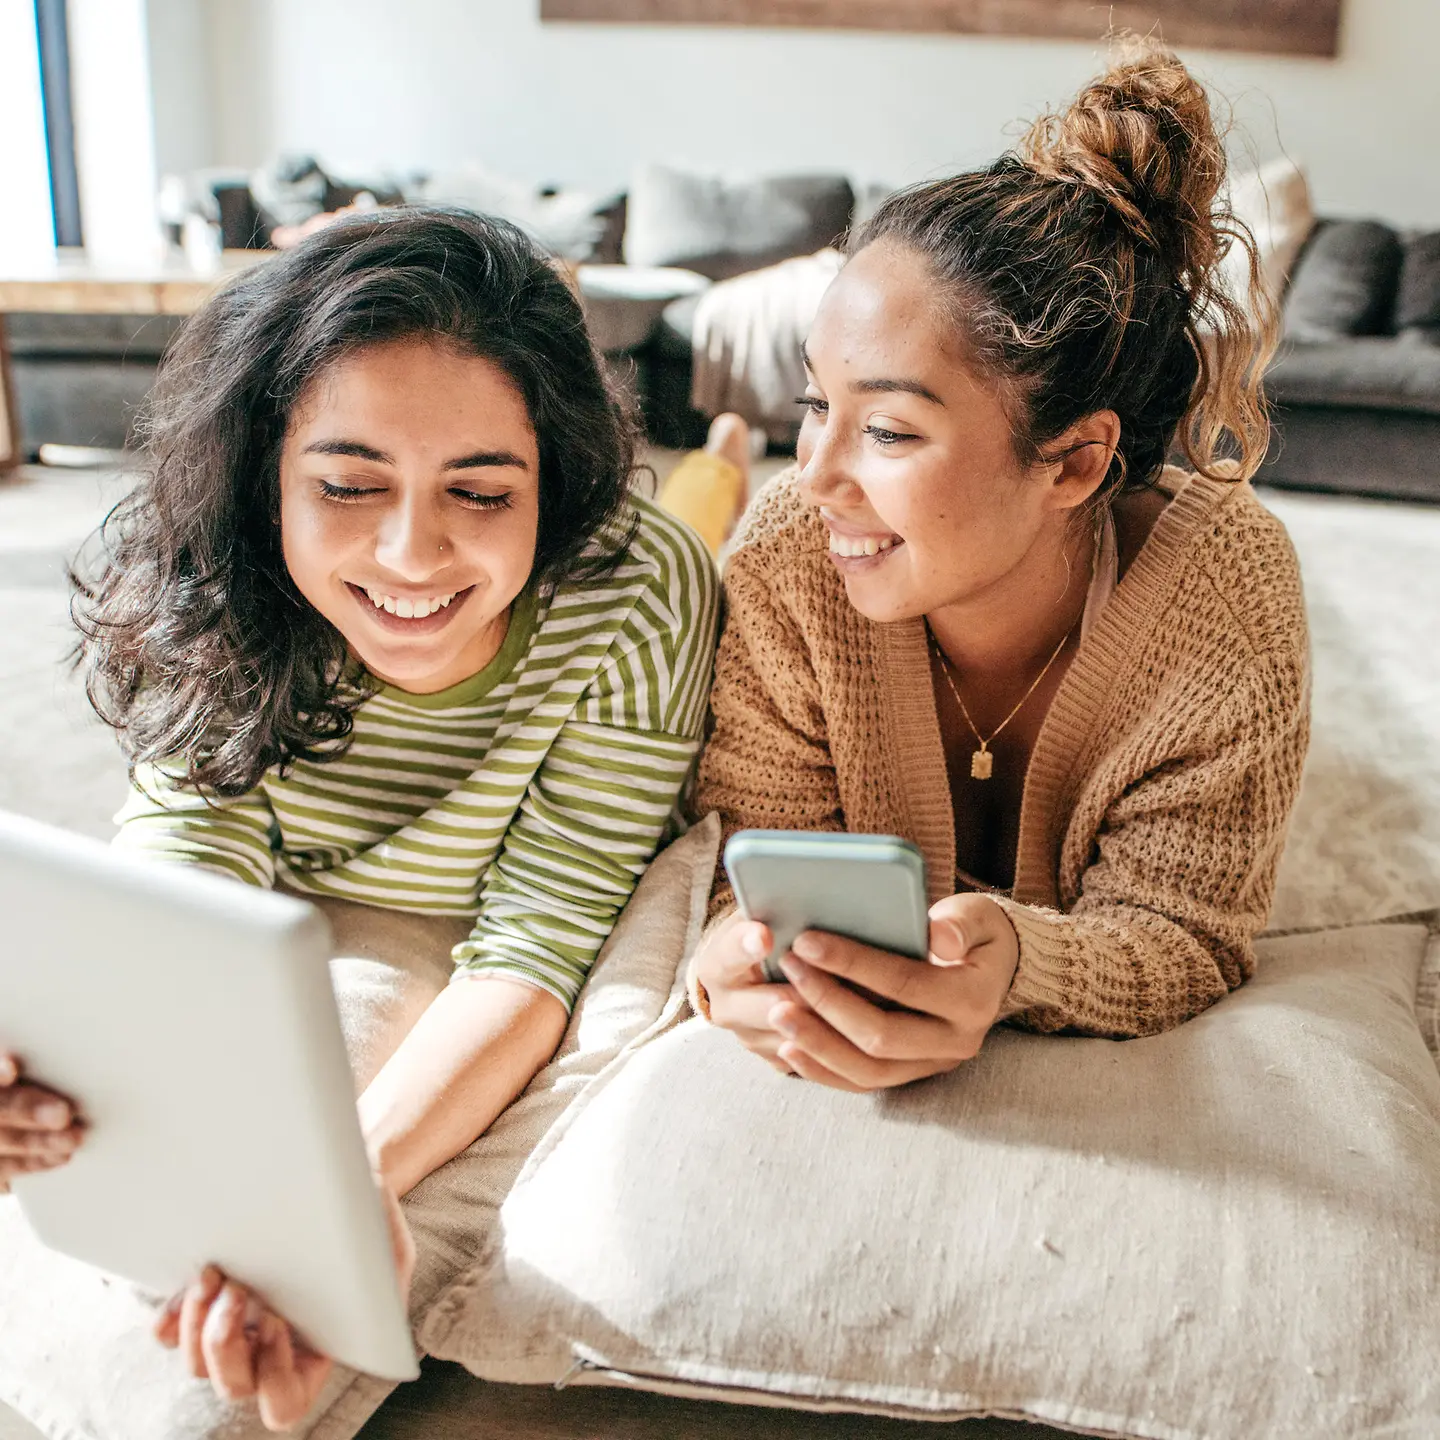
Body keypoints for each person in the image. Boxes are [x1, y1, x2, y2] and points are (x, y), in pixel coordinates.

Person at [0, 207, 718, 1429]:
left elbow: (535, 939)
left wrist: (331, 1197)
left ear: (556, 480)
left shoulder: (635, 591)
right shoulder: (211, 573)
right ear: (264, 474)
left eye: (483, 492)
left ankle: (729, 459)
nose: (411, 553)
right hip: (305, 877)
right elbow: (183, 862)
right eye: (346, 484)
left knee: (711, 506)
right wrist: (73, 1060)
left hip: (508, 847)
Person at [689, 42, 1311, 1089]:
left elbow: (1188, 929)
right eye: (813, 407)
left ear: (1074, 461)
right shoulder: (789, 555)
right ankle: (713, 458)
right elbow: (745, 857)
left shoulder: (1227, 602)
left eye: (886, 430)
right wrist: (729, 958)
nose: (817, 475)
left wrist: (1027, 961)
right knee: (693, 516)